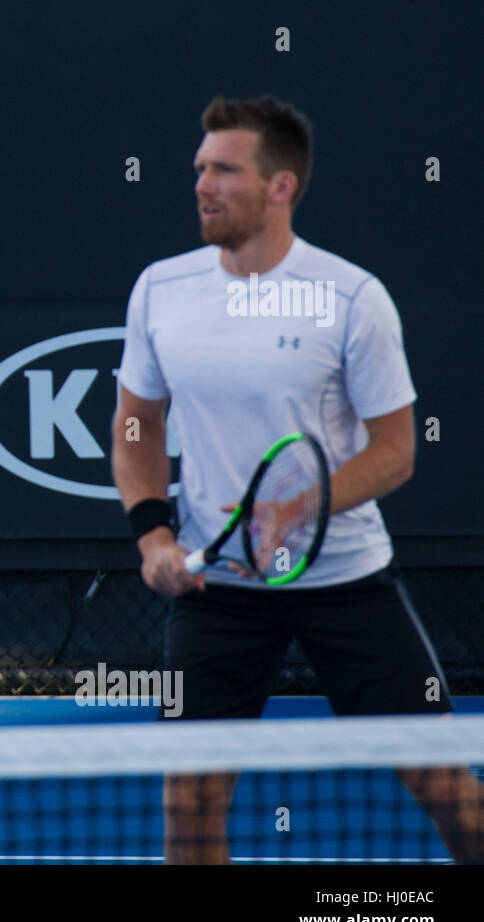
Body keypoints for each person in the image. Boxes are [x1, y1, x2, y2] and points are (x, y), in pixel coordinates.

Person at [111, 95, 483, 863]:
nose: (201, 184)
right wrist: (151, 532)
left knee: (447, 786)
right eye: (198, 169)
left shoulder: (352, 298)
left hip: (347, 580)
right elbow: (136, 422)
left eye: (223, 170)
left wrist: (296, 510)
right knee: (188, 802)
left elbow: (395, 450)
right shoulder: (160, 289)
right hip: (217, 594)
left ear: (281, 187)